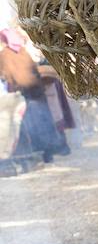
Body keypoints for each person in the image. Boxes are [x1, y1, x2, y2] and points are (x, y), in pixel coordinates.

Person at [0, 27, 68, 163]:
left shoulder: (4, 55)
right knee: (45, 120)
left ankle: (40, 153)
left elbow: (5, 75)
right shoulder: (23, 51)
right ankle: (52, 151)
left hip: (24, 94)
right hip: (37, 90)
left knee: (32, 125)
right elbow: (33, 71)